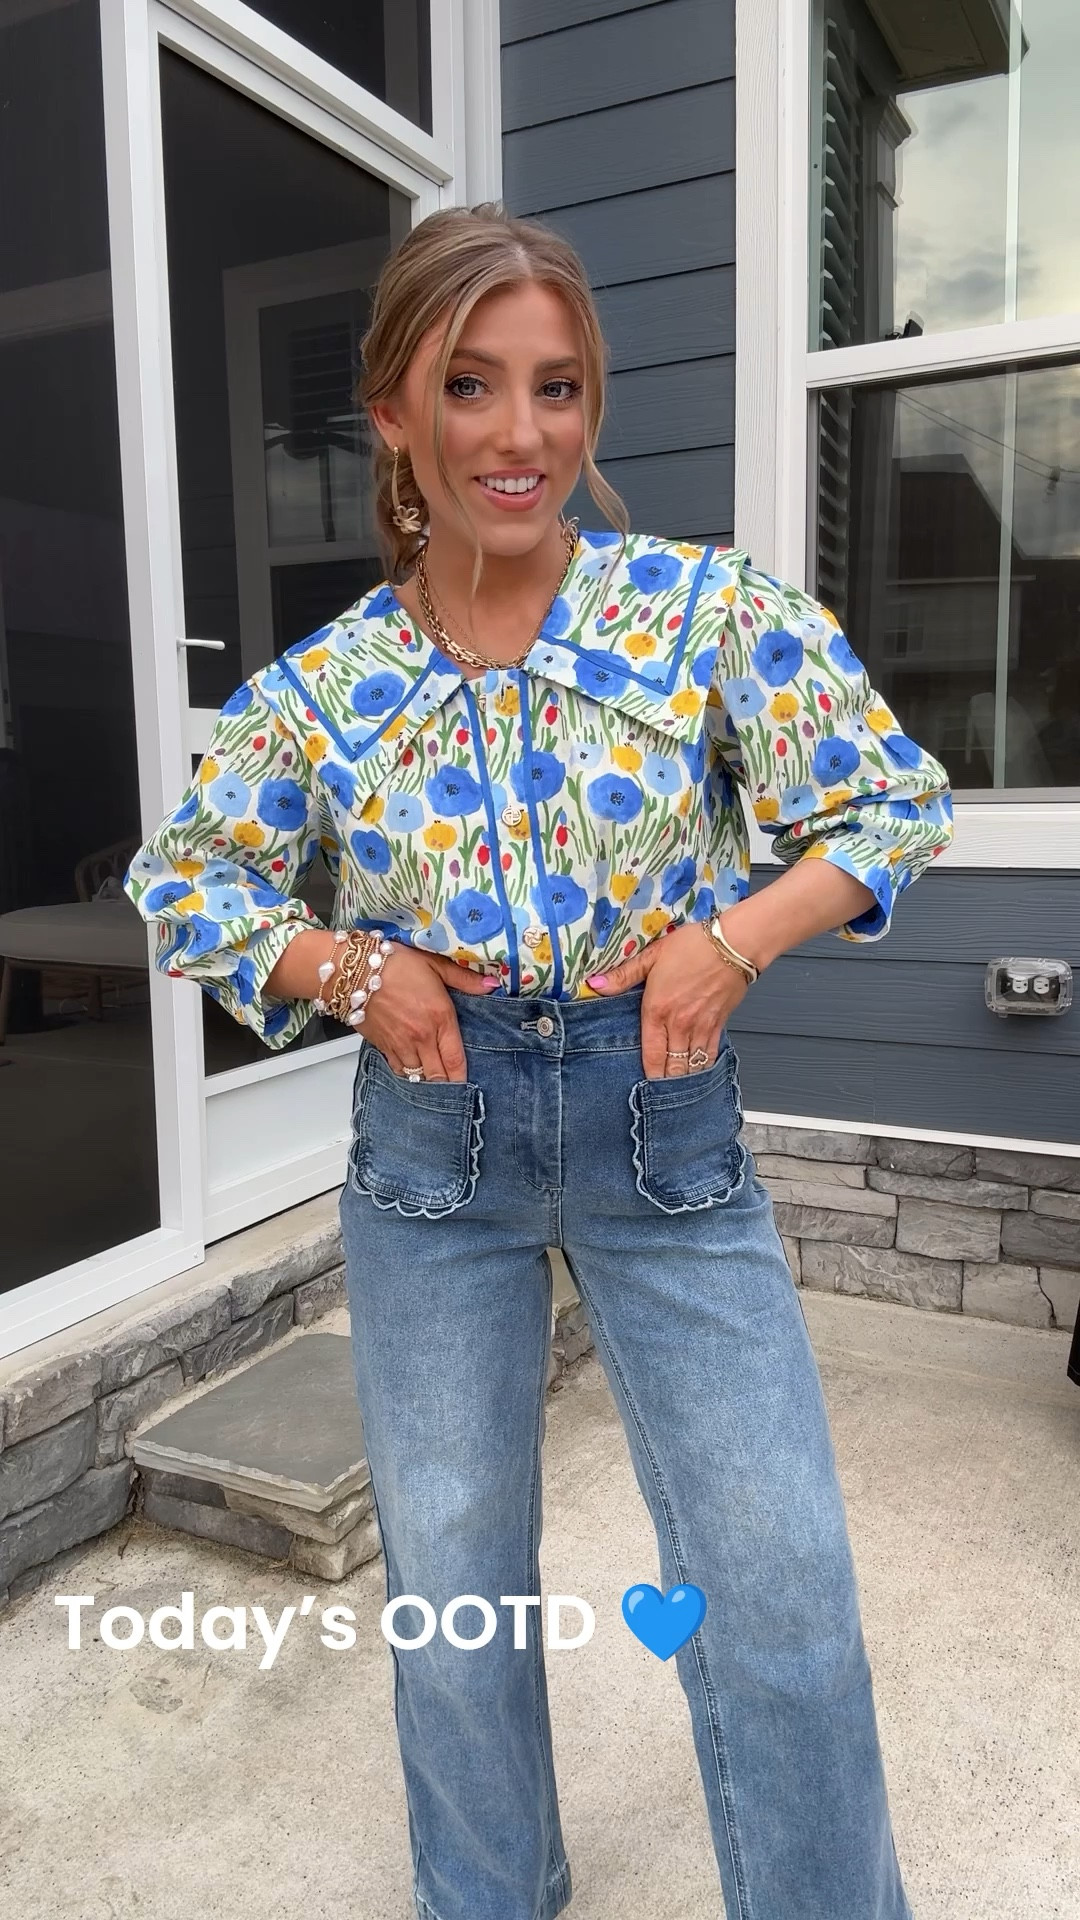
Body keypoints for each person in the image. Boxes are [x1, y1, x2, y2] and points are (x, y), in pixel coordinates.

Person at [125, 203, 952, 1920]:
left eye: (558, 388)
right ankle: (490, 1892)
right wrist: (358, 970)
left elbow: (892, 803)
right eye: (474, 386)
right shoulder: (324, 692)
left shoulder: (702, 613)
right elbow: (183, 881)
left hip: (666, 1130)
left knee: (778, 1579)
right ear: (395, 414)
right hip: (437, 1156)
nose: (523, 436)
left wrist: (732, 938)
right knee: (453, 1587)